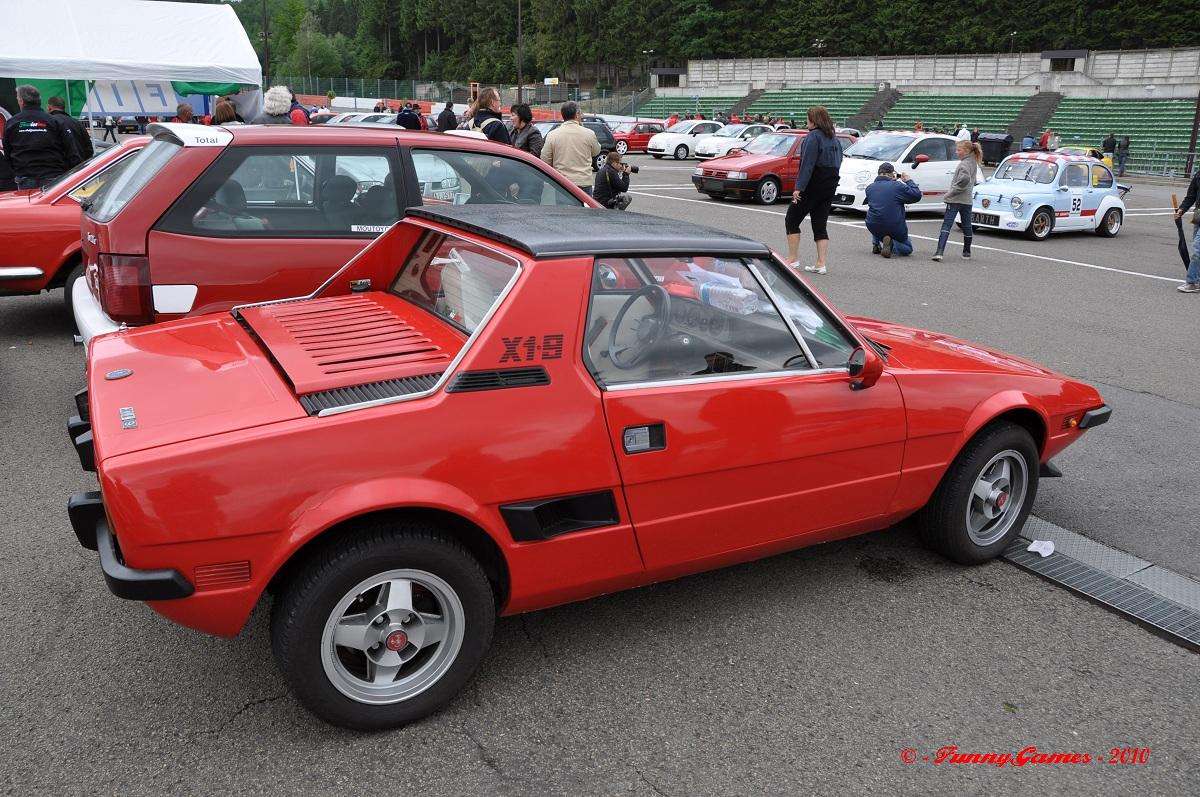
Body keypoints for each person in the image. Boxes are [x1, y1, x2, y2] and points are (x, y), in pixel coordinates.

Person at [785, 106, 842, 275]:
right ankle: (821, 263)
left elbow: (807, 165)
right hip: (829, 185)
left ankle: (793, 258)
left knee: (792, 219)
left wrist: (799, 188)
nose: (806, 121)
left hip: (812, 184)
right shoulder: (834, 139)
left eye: (808, 118)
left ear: (814, 120)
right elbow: (839, 162)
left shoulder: (812, 138)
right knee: (820, 223)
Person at [2, 84, 81, 190]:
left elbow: (7, 152)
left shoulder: (12, 123)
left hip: (26, 177)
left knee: (30, 207)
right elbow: (71, 151)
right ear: (39, 100)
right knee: (51, 206)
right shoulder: (55, 121)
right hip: (53, 177)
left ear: (21, 101)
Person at [932, 139, 982, 261]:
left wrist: (951, 193)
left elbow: (964, 179)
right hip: (967, 200)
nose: (956, 152)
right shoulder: (973, 162)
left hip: (955, 199)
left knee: (947, 225)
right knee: (967, 225)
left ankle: (939, 251)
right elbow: (973, 181)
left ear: (966, 151)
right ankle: (966, 251)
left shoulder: (963, 164)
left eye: (958, 150)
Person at [864, 162, 922, 257]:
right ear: (891, 173)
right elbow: (916, 195)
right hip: (894, 226)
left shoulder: (869, 188)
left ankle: (876, 244)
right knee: (907, 248)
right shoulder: (897, 186)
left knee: (878, 215)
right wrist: (908, 180)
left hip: (873, 225)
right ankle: (891, 245)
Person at [541, 101, 599, 195]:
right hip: (583, 182)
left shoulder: (553, 134)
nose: (581, 116)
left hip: (562, 183)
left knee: (564, 209)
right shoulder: (589, 133)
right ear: (577, 115)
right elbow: (596, 151)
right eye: (580, 114)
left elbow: (545, 159)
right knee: (584, 209)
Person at [1174, 167, 1200, 293]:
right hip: (1199, 216)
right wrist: (1182, 209)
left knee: (1197, 249)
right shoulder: (1198, 174)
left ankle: (1192, 282)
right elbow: (1191, 195)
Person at [47, 96, 93, 162]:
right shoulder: (78, 123)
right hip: (79, 166)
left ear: (49, 107)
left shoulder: (48, 122)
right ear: (63, 107)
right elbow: (89, 149)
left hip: (60, 167)